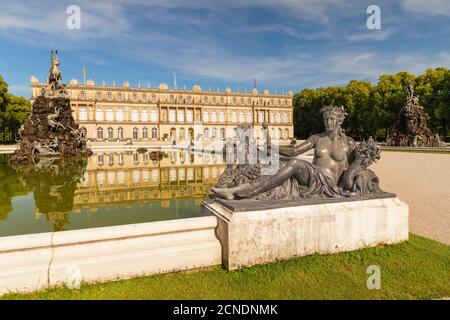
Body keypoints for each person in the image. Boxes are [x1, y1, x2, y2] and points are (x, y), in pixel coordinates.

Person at [211, 106, 356, 200]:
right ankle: (240, 189)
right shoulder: (316, 138)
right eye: (326, 119)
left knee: (295, 163)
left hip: (330, 183)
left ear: (339, 121)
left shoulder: (348, 143)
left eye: (332, 119)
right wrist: (272, 147)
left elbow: (355, 167)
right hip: (312, 178)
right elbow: (294, 151)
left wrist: (351, 185)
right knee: (277, 165)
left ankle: (243, 191)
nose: (328, 122)